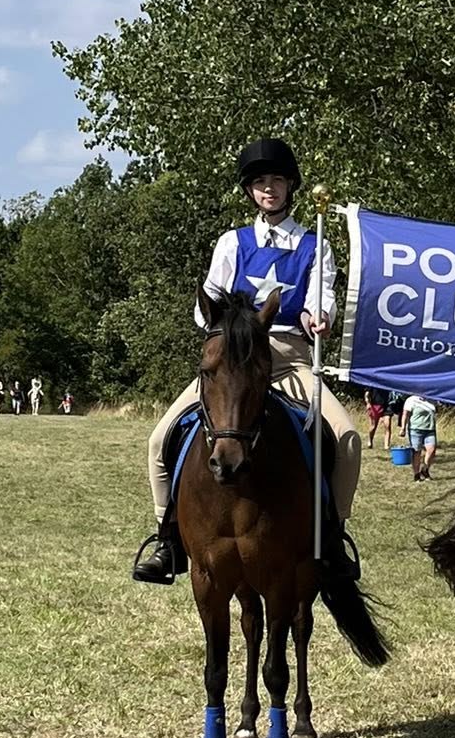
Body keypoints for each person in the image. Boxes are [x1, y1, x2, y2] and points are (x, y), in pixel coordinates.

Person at [133, 138, 364, 583]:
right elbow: (205, 306)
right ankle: (167, 538)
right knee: (159, 439)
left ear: (290, 186)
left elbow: (323, 296)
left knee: (348, 439)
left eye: (276, 180)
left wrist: (319, 316)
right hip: (233, 361)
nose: (268, 189)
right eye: (260, 182)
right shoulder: (231, 243)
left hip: (289, 359)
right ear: (249, 191)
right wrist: (224, 322)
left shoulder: (315, 245)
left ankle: (333, 536)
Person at [401, 393, 439, 480]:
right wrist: (403, 428)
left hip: (430, 429)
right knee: (417, 452)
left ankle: (425, 470)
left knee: (432, 450)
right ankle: (416, 474)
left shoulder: (432, 399)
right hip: (415, 429)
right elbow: (405, 414)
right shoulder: (411, 400)